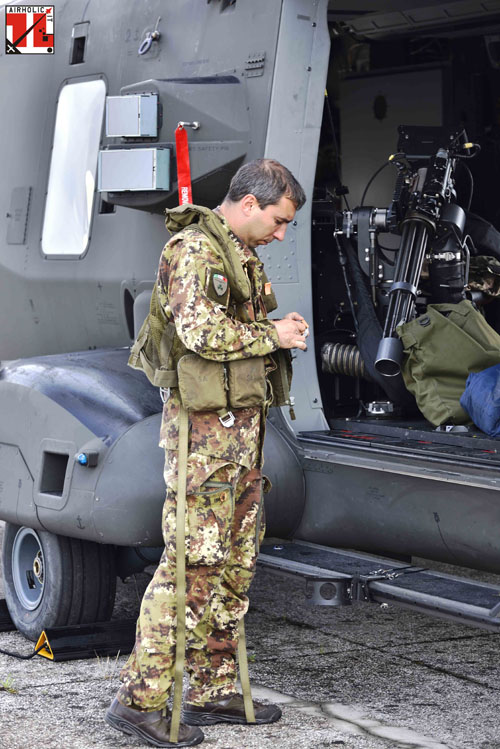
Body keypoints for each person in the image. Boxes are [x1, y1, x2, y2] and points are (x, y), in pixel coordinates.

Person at [105, 159, 308, 747]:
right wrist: (274, 335)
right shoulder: (194, 250)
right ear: (249, 204)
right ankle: (138, 700)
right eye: (279, 219)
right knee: (190, 567)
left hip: (239, 439)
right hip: (204, 443)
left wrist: (272, 329)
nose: (281, 232)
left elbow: (231, 328)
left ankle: (210, 687)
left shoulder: (237, 251)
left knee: (234, 564)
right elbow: (200, 333)